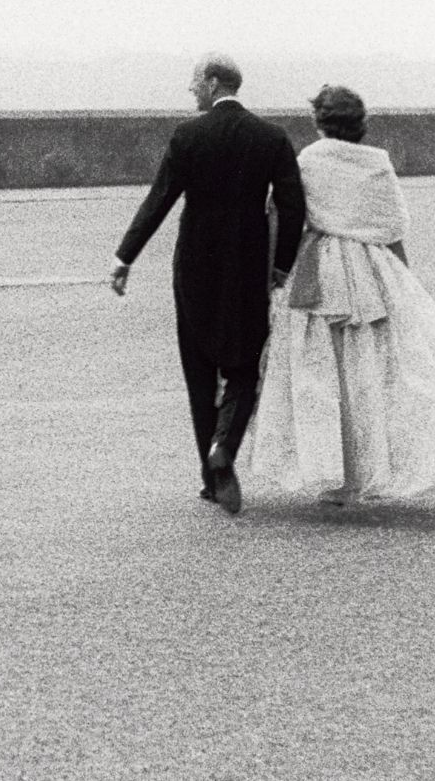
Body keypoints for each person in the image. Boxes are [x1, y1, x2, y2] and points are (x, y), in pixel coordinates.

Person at [248, 85, 435, 503]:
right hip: (374, 270)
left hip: (321, 267)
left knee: (324, 375)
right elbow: (392, 227)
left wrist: (275, 272)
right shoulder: (378, 164)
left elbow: (290, 215)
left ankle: (336, 472)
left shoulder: (309, 160)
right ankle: (373, 470)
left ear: (319, 121)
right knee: (373, 373)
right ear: (359, 124)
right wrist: (405, 284)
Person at [111, 54, 306, 515]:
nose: (191, 90)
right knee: (244, 365)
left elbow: (159, 199)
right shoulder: (271, 137)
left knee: (199, 368)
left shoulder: (188, 135)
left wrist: (125, 257)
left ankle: (211, 477)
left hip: (195, 266)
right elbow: (292, 206)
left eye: (195, 82)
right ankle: (225, 446)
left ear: (214, 82)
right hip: (248, 265)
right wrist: (280, 267)